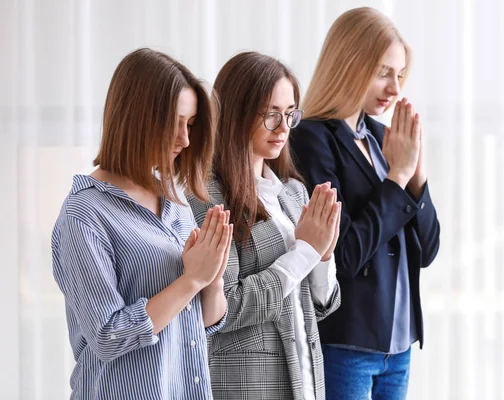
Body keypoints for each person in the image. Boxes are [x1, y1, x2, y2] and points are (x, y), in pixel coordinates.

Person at [51, 48, 231, 399]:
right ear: (136, 117)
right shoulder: (84, 215)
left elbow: (203, 323)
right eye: (175, 123)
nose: (185, 140)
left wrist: (212, 278)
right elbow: (107, 335)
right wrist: (191, 279)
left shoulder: (174, 204)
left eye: (191, 125)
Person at [290, 7, 441, 399]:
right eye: (383, 72)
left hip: (400, 344)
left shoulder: (382, 137)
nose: (395, 89)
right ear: (349, 65)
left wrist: (416, 176)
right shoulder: (310, 138)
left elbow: (427, 250)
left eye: (400, 75)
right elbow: (341, 255)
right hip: (347, 344)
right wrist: (396, 178)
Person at [187, 51, 341, 400]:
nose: (284, 127)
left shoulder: (293, 192)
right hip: (247, 385)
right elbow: (225, 308)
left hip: (306, 379)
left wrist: (322, 257)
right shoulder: (208, 195)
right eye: (272, 115)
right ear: (236, 112)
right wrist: (304, 251)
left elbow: (321, 304)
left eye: (289, 115)